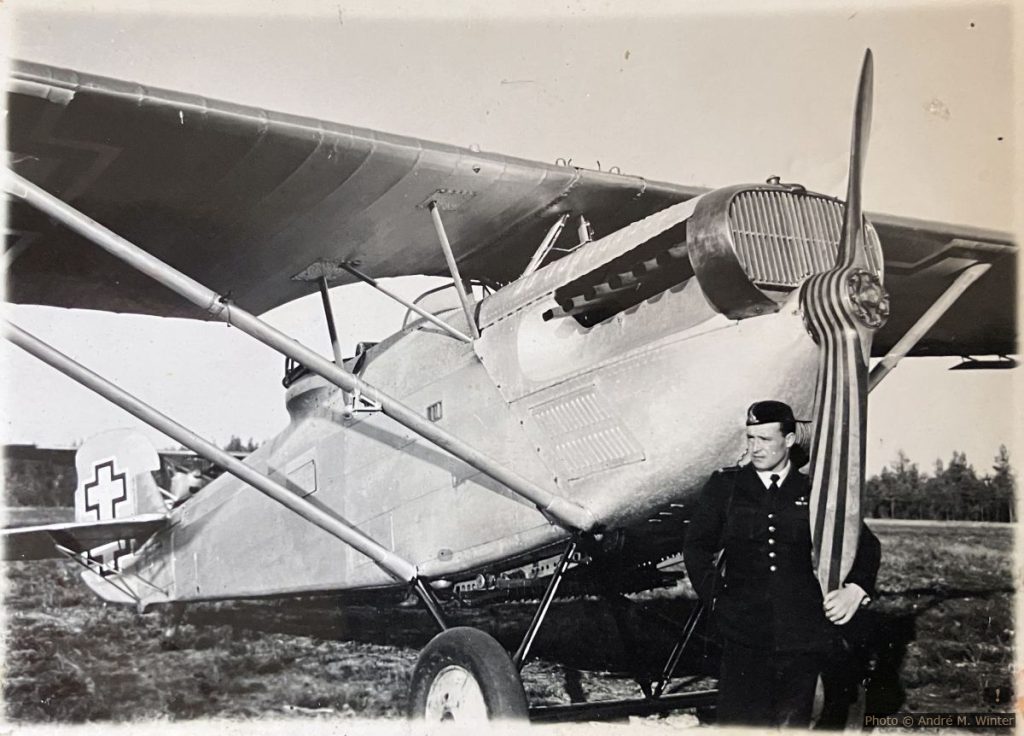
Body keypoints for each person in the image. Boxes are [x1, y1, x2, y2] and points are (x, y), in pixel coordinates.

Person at [682, 400, 881, 728]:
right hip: (743, 631)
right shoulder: (725, 487)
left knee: (793, 723)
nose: (755, 448)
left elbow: (866, 544)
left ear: (789, 440)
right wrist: (716, 597)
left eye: (765, 439)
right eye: (750, 438)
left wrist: (856, 589)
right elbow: (696, 546)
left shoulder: (813, 490)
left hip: (800, 632)